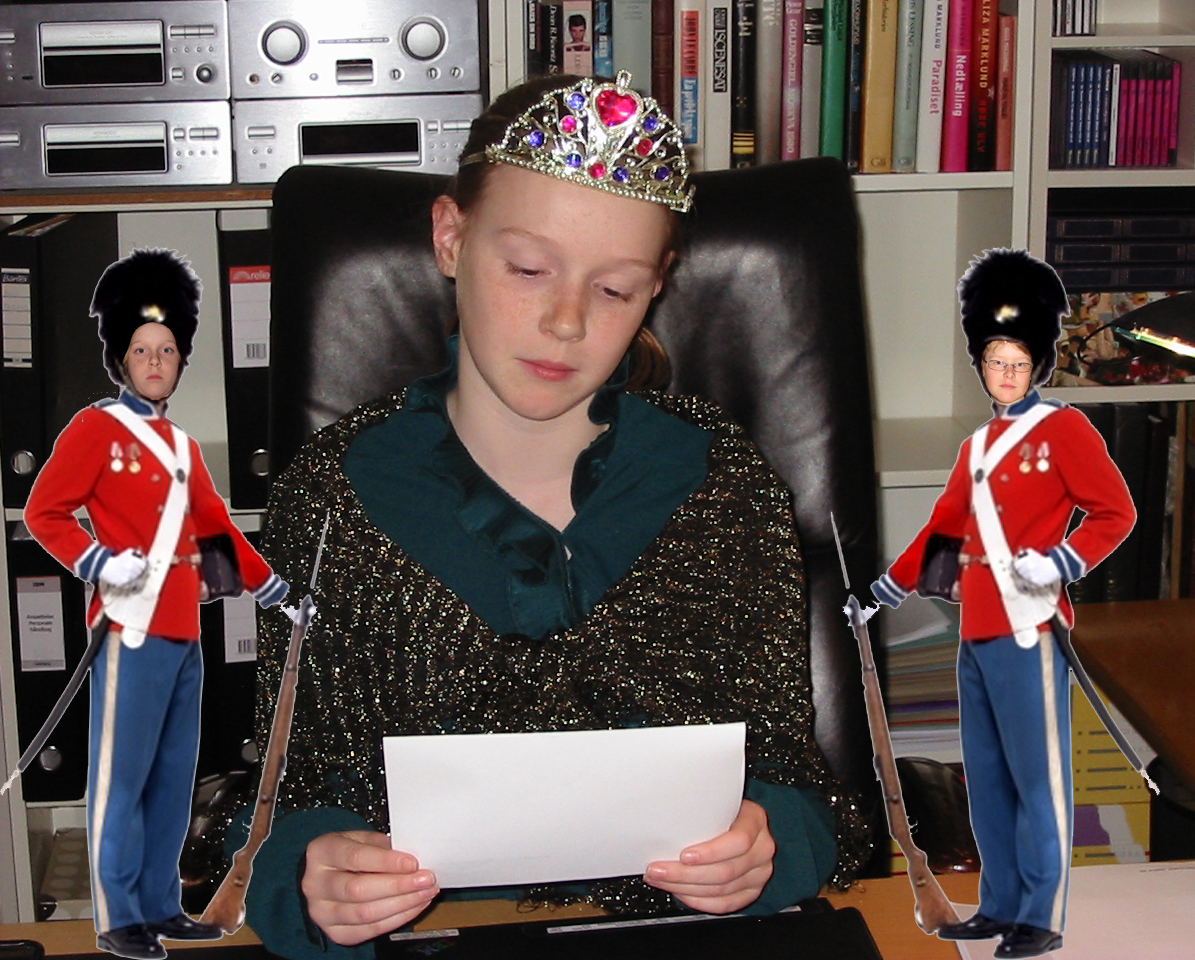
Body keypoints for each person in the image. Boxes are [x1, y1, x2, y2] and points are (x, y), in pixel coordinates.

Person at [230, 72, 872, 960]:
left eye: (615, 290)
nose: (566, 322)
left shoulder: (720, 486)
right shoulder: (334, 497)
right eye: (529, 270)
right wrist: (310, 879)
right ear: (451, 237)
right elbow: (283, 799)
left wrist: (767, 846)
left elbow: (797, 787)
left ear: (658, 286)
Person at [866, 250, 1136, 960]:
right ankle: (1000, 905)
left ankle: (1040, 917)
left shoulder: (1065, 432)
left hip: (1027, 626)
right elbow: (944, 528)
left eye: (1017, 361)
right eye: (994, 361)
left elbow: (1115, 513)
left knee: (1036, 782)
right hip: (976, 630)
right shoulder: (976, 447)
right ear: (980, 364)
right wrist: (889, 588)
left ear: (1038, 363)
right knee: (986, 780)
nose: (1006, 373)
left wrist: (1062, 560)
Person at [24, 250, 290, 960]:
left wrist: (271, 588)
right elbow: (45, 512)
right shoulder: (95, 430)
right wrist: (97, 561)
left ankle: (161, 905)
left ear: (180, 361)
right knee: (123, 782)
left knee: (173, 780)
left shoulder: (182, 448)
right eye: (142, 349)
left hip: (184, 632)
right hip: (131, 628)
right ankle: (119, 918)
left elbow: (216, 529)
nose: (154, 361)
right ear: (120, 357)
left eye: (167, 350)